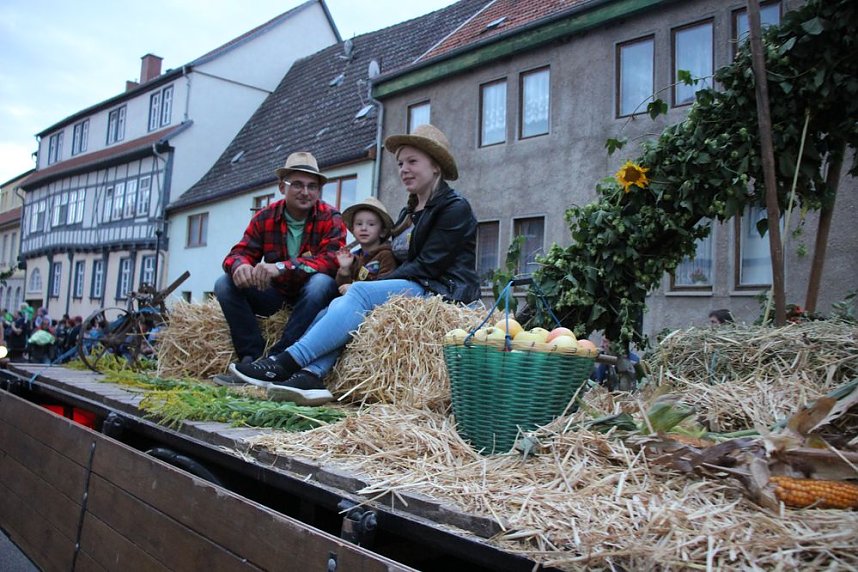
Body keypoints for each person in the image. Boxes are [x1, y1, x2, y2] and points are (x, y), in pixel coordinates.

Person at [230, 124, 481, 405]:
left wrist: (369, 286)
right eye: (400, 163)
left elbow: (428, 266)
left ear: (436, 166)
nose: (404, 169)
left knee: (359, 293)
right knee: (335, 306)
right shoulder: (410, 210)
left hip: (444, 291)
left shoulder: (454, 208)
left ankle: (285, 361)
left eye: (413, 161)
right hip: (417, 285)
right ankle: (312, 375)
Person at [213, 151, 346, 383]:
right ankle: (250, 358)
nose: (305, 192)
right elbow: (238, 253)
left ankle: (278, 359)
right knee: (225, 283)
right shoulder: (265, 217)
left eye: (312, 186)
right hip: (277, 296)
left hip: (314, 299)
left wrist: (282, 267)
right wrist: (240, 266)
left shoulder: (331, 217)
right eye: (297, 184)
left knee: (321, 282)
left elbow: (331, 260)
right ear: (282, 187)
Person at [335, 196, 398, 295]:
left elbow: (385, 287)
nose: (364, 228)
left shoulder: (386, 255)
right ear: (353, 230)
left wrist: (355, 289)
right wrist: (344, 269)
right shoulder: (354, 258)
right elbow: (341, 289)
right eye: (359, 224)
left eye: (371, 224)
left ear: (382, 231)